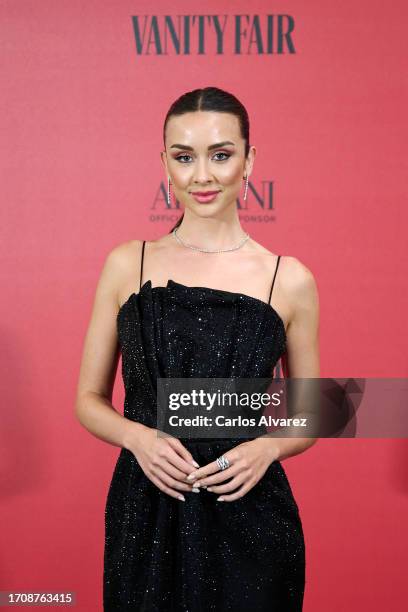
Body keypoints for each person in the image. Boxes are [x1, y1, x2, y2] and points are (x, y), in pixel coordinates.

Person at [75, 86, 320, 611]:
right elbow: (88, 400)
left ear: (249, 160)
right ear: (165, 163)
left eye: (221, 155)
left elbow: (310, 409)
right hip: (145, 510)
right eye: (184, 157)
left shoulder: (289, 279)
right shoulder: (127, 264)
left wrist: (270, 447)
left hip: (251, 518)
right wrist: (137, 438)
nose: (202, 176)